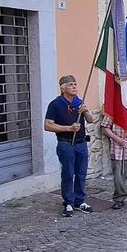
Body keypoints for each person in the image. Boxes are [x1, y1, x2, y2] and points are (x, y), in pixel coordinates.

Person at [44, 75, 97, 217]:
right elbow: (48, 125)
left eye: (75, 84)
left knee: (81, 174)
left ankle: (80, 201)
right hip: (65, 144)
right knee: (68, 174)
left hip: (81, 144)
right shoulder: (56, 104)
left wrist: (85, 110)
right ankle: (68, 202)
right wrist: (68, 128)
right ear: (63, 88)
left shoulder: (79, 102)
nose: (75, 87)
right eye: (71, 84)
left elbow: (91, 120)